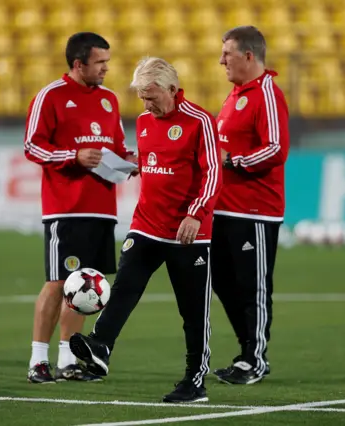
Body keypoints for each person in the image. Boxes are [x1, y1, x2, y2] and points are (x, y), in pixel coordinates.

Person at [69, 57, 222, 403]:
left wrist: (196, 214)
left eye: (152, 97)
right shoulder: (143, 121)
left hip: (188, 232)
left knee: (192, 311)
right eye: (142, 98)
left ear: (172, 89)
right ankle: (100, 346)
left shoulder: (200, 121)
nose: (147, 105)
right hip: (147, 225)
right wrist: (130, 164)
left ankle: (194, 380)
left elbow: (212, 172)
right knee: (124, 287)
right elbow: (153, 160)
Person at [24, 32, 137, 383]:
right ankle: (37, 360)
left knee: (84, 288)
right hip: (66, 208)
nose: (106, 68)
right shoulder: (50, 96)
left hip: (102, 207)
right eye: (99, 62)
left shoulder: (109, 100)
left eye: (107, 61)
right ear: (78, 64)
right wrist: (72, 156)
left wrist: (131, 161)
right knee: (58, 282)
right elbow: (32, 145)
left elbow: (116, 145)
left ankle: (67, 360)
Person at [211, 26, 290, 385]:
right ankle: (247, 350)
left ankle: (255, 359)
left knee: (253, 285)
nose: (220, 60)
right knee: (223, 282)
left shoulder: (267, 94)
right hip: (224, 209)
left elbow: (276, 148)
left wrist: (231, 162)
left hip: (254, 211)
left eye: (226, 53)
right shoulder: (235, 95)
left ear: (248, 55)